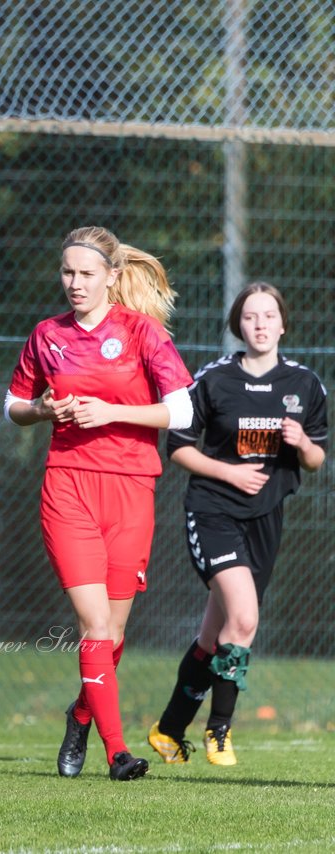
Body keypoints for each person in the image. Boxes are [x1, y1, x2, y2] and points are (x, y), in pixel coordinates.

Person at [4, 226, 194, 781]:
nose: (75, 283)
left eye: (87, 274)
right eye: (67, 272)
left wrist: (113, 413)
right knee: (94, 625)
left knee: (111, 632)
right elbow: (13, 404)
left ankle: (82, 712)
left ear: (112, 277)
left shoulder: (143, 333)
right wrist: (41, 411)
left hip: (132, 489)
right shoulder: (46, 334)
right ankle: (117, 752)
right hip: (68, 485)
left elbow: (182, 413)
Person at [147, 282, 327, 766]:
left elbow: (315, 459)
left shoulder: (304, 385)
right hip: (212, 512)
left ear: (283, 324)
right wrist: (227, 471)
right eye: (251, 316)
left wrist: (303, 444)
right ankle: (219, 730)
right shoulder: (214, 379)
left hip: (266, 519)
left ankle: (168, 730)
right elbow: (180, 447)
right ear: (238, 325)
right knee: (244, 619)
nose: (261, 324)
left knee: (215, 637)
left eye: (269, 315)